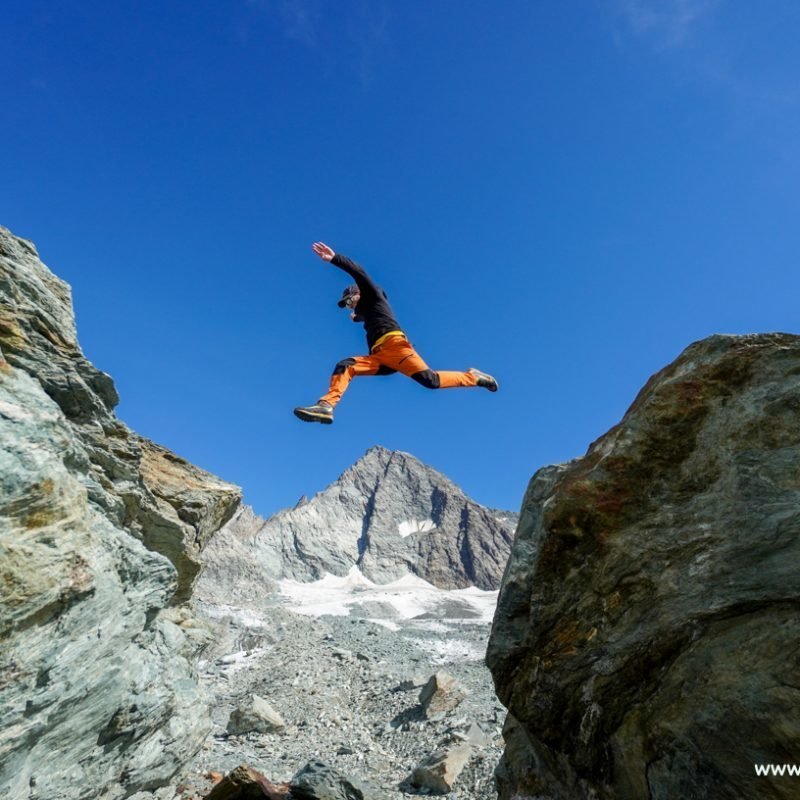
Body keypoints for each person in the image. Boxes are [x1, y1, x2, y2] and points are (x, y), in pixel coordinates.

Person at [294, 242, 498, 424]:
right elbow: (367, 316)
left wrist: (335, 259)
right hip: (380, 357)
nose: (349, 306)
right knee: (346, 365)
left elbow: (360, 274)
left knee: (431, 381)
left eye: (349, 301)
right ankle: (326, 406)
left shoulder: (372, 296)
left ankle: (474, 377)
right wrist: (357, 317)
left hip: (395, 347)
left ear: (357, 294)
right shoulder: (367, 311)